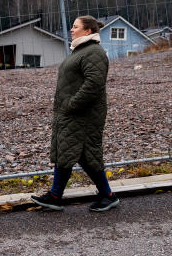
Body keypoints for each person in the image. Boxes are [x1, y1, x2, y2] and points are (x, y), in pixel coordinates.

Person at [31, 15, 119, 212]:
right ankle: (105, 195)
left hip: (83, 114)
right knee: (78, 153)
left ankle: (56, 196)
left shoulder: (93, 52)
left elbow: (94, 84)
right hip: (75, 113)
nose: (71, 30)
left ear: (87, 31)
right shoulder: (81, 51)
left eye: (75, 26)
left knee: (76, 152)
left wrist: (71, 104)